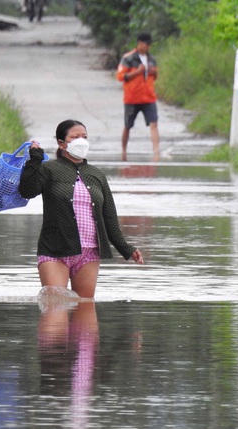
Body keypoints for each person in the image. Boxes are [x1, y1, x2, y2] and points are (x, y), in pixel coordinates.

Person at [19, 119, 144, 298]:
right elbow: (27, 191)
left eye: (84, 137)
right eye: (75, 137)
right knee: (55, 308)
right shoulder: (49, 170)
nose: (81, 141)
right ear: (62, 143)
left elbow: (108, 217)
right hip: (55, 249)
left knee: (85, 312)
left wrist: (126, 248)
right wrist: (35, 160)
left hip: (89, 252)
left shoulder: (97, 175)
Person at [116, 32, 160, 162]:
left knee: (154, 123)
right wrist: (137, 72)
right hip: (132, 98)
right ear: (139, 43)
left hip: (149, 97)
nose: (148, 47)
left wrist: (154, 72)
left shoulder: (152, 59)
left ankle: (156, 151)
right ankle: (124, 150)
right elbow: (120, 77)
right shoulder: (128, 58)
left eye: (149, 44)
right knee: (128, 125)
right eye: (146, 44)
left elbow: (154, 77)